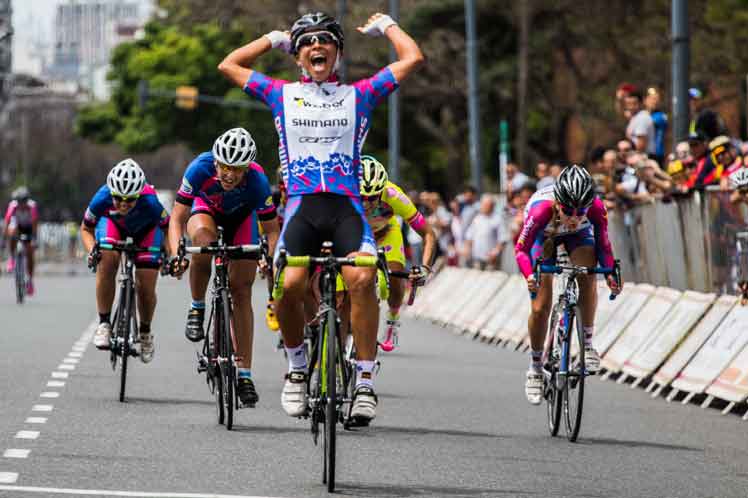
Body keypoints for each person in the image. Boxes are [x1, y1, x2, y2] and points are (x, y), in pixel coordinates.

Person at [217, 10, 424, 423]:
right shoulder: (280, 94)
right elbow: (229, 65)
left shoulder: (359, 94)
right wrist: (273, 38)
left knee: (363, 277)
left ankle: (364, 381)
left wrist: (387, 26)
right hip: (301, 205)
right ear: (297, 56)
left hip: (346, 205)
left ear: (338, 53)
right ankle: (297, 367)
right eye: (306, 42)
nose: (316, 46)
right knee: (289, 285)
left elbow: (412, 58)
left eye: (325, 40)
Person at [168, 128, 280, 408]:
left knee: (242, 291)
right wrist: (176, 253)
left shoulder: (258, 181)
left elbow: (272, 231)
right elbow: (177, 217)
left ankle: (244, 373)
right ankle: (197, 306)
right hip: (206, 210)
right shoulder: (199, 168)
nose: (230, 174)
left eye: (237, 169)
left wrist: (269, 256)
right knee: (203, 241)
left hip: (242, 220)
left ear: (247, 168)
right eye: (225, 167)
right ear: (215, 162)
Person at [515, 165, 621, 405]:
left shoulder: (595, 208)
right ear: (557, 204)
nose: (574, 218)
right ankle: (535, 368)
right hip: (545, 235)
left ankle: (588, 344)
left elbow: (604, 246)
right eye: (568, 211)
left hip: (579, 239)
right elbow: (520, 249)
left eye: (580, 211)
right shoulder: (540, 210)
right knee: (540, 306)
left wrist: (610, 273)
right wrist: (530, 276)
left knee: (588, 275)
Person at [80, 160, 169, 363]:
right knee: (107, 259)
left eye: (129, 200)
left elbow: (168, 228)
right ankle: (104, 323)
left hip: (147, 231)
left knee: (146, 285)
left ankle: (145, 332)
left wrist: (170, 255)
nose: (122, 204)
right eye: (118, 198)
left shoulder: (150, 201)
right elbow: (85, 229)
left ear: (139, 194)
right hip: (114, 226)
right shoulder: (101, 198)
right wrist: (92, 249)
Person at [359, 155, 436, 351]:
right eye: (362, 197)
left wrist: (425, 267)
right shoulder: (344, 193)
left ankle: (393, 319)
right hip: (357, 234)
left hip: (386, 233)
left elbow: (428, 234)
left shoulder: (394, 195)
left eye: (373, 197)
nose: (367, 203)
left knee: (395, 276)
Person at [4, 186, 39, 295]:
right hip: (17, 227)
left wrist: (34, 238)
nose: (21, 204)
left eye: (24, 201)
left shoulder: (32, 206)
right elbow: (7, 222)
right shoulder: (13, 206)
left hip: (28, 228)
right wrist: (4, 239)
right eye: (19, 201)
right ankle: (11, 258)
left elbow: (34, 223)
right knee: (12, 229)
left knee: (30, 252)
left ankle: (30, 280)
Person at [463, 194, 506, 270]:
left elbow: (502, 240)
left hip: (491, 261)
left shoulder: (498, 219)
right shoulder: (477, 219)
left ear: (492, 206)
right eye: (482, 204)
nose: (483, 207)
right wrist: (467, 249)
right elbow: (469, 236)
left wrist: (495, 253)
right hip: (476, 260)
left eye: (486, 205)